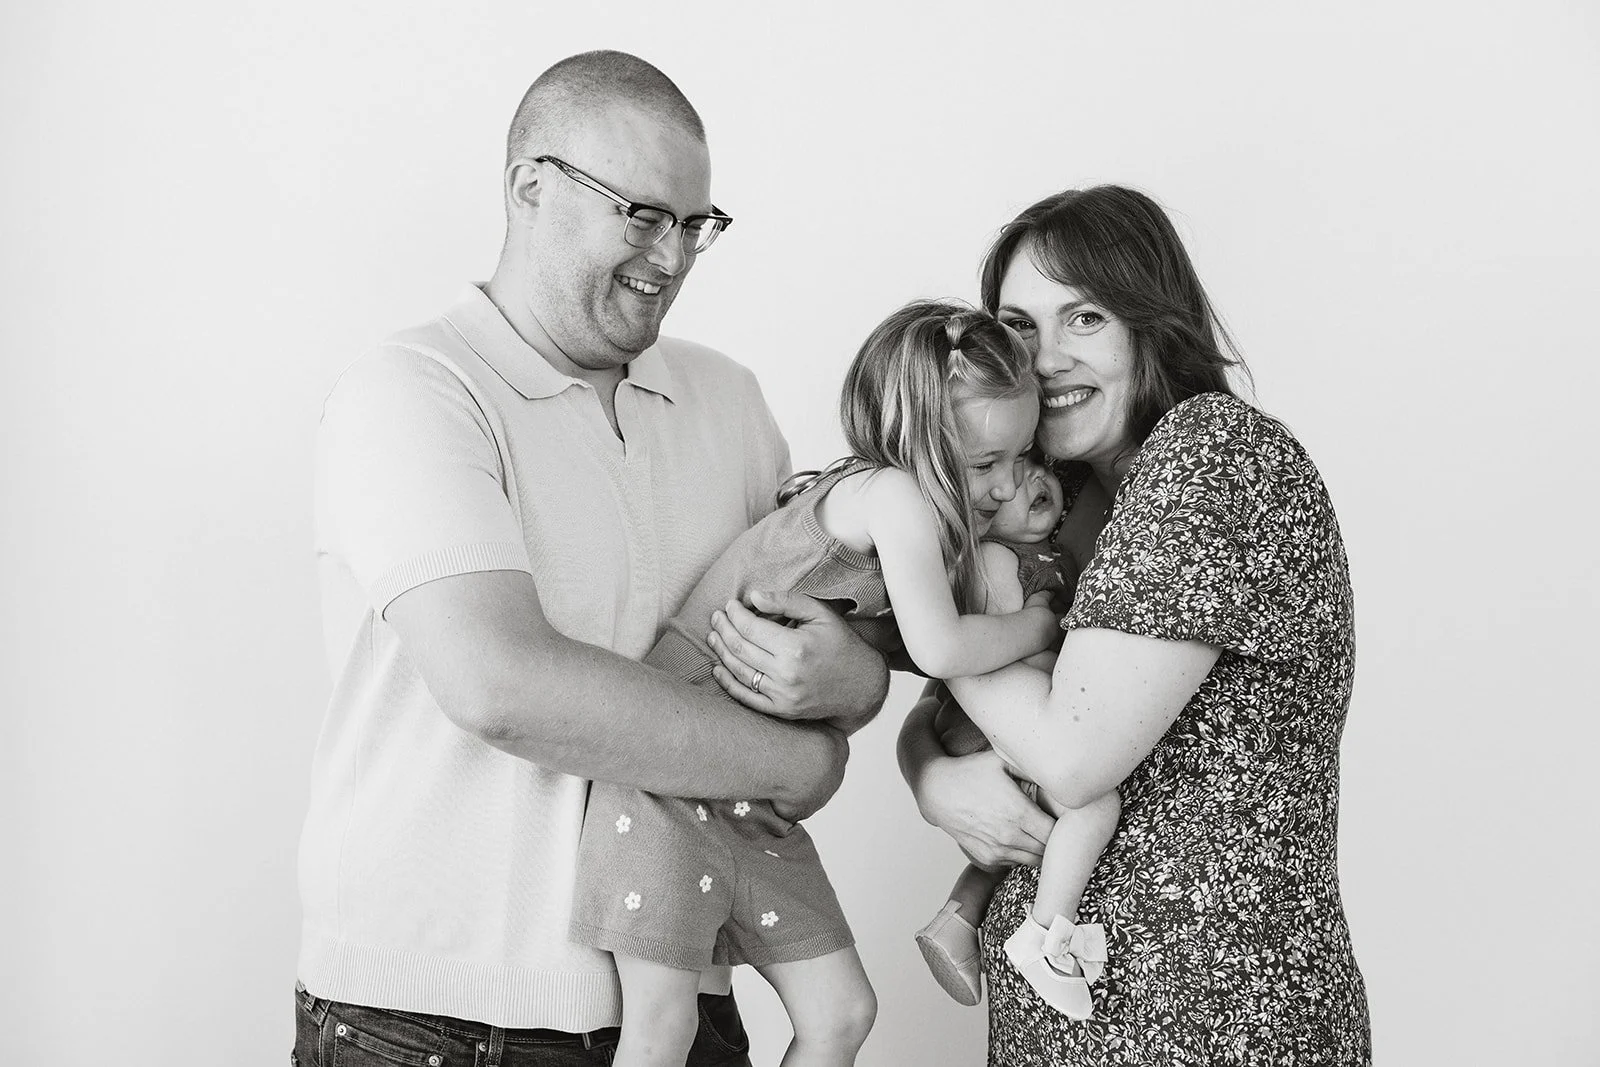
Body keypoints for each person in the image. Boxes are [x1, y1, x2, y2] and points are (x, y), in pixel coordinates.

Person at [293, 51, 889, 1067]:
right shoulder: (413, 391)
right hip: (435, 1022)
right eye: (642, 215)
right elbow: (503, 685)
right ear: (530, 187)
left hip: (688, 999)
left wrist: (856, 684)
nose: (673, 255)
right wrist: (805, 756)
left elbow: (798, 648)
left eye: (696, 224)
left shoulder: (729, 403)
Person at [895, 185, 1372, 1064]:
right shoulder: (1051, 503)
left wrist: (915, 601)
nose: (1043, 359)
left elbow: (1071, 755)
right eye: (1019, 326)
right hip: (1070, 1027)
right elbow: (954, 707)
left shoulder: (1212, 452)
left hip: (1217, 1020)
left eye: (1084, 317)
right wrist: (926, 770)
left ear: (1153, 323)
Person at [569, 300, 1059, 1067]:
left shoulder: (925, 520)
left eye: (1019, 456)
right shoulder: (890, 495)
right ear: (915, 440)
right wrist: (1035, 623)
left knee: (843, 1012)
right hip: (665, 785)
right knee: (662, 1030)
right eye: (982, 464)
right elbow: (938, 647)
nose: (1002, 485)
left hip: (750, 802)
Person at [912, 454, 1119, 1022]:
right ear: (976, 517)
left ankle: (958, 919)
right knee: (1094, 807)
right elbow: (989, 654)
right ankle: (1047, 942)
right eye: (999, 489)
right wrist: (1044, 634)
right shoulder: (999, 560)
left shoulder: (1046, 549)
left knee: (1023, 830)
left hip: (988, 720)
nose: (1026, 482)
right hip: (990, 722)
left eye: (1031, 466)